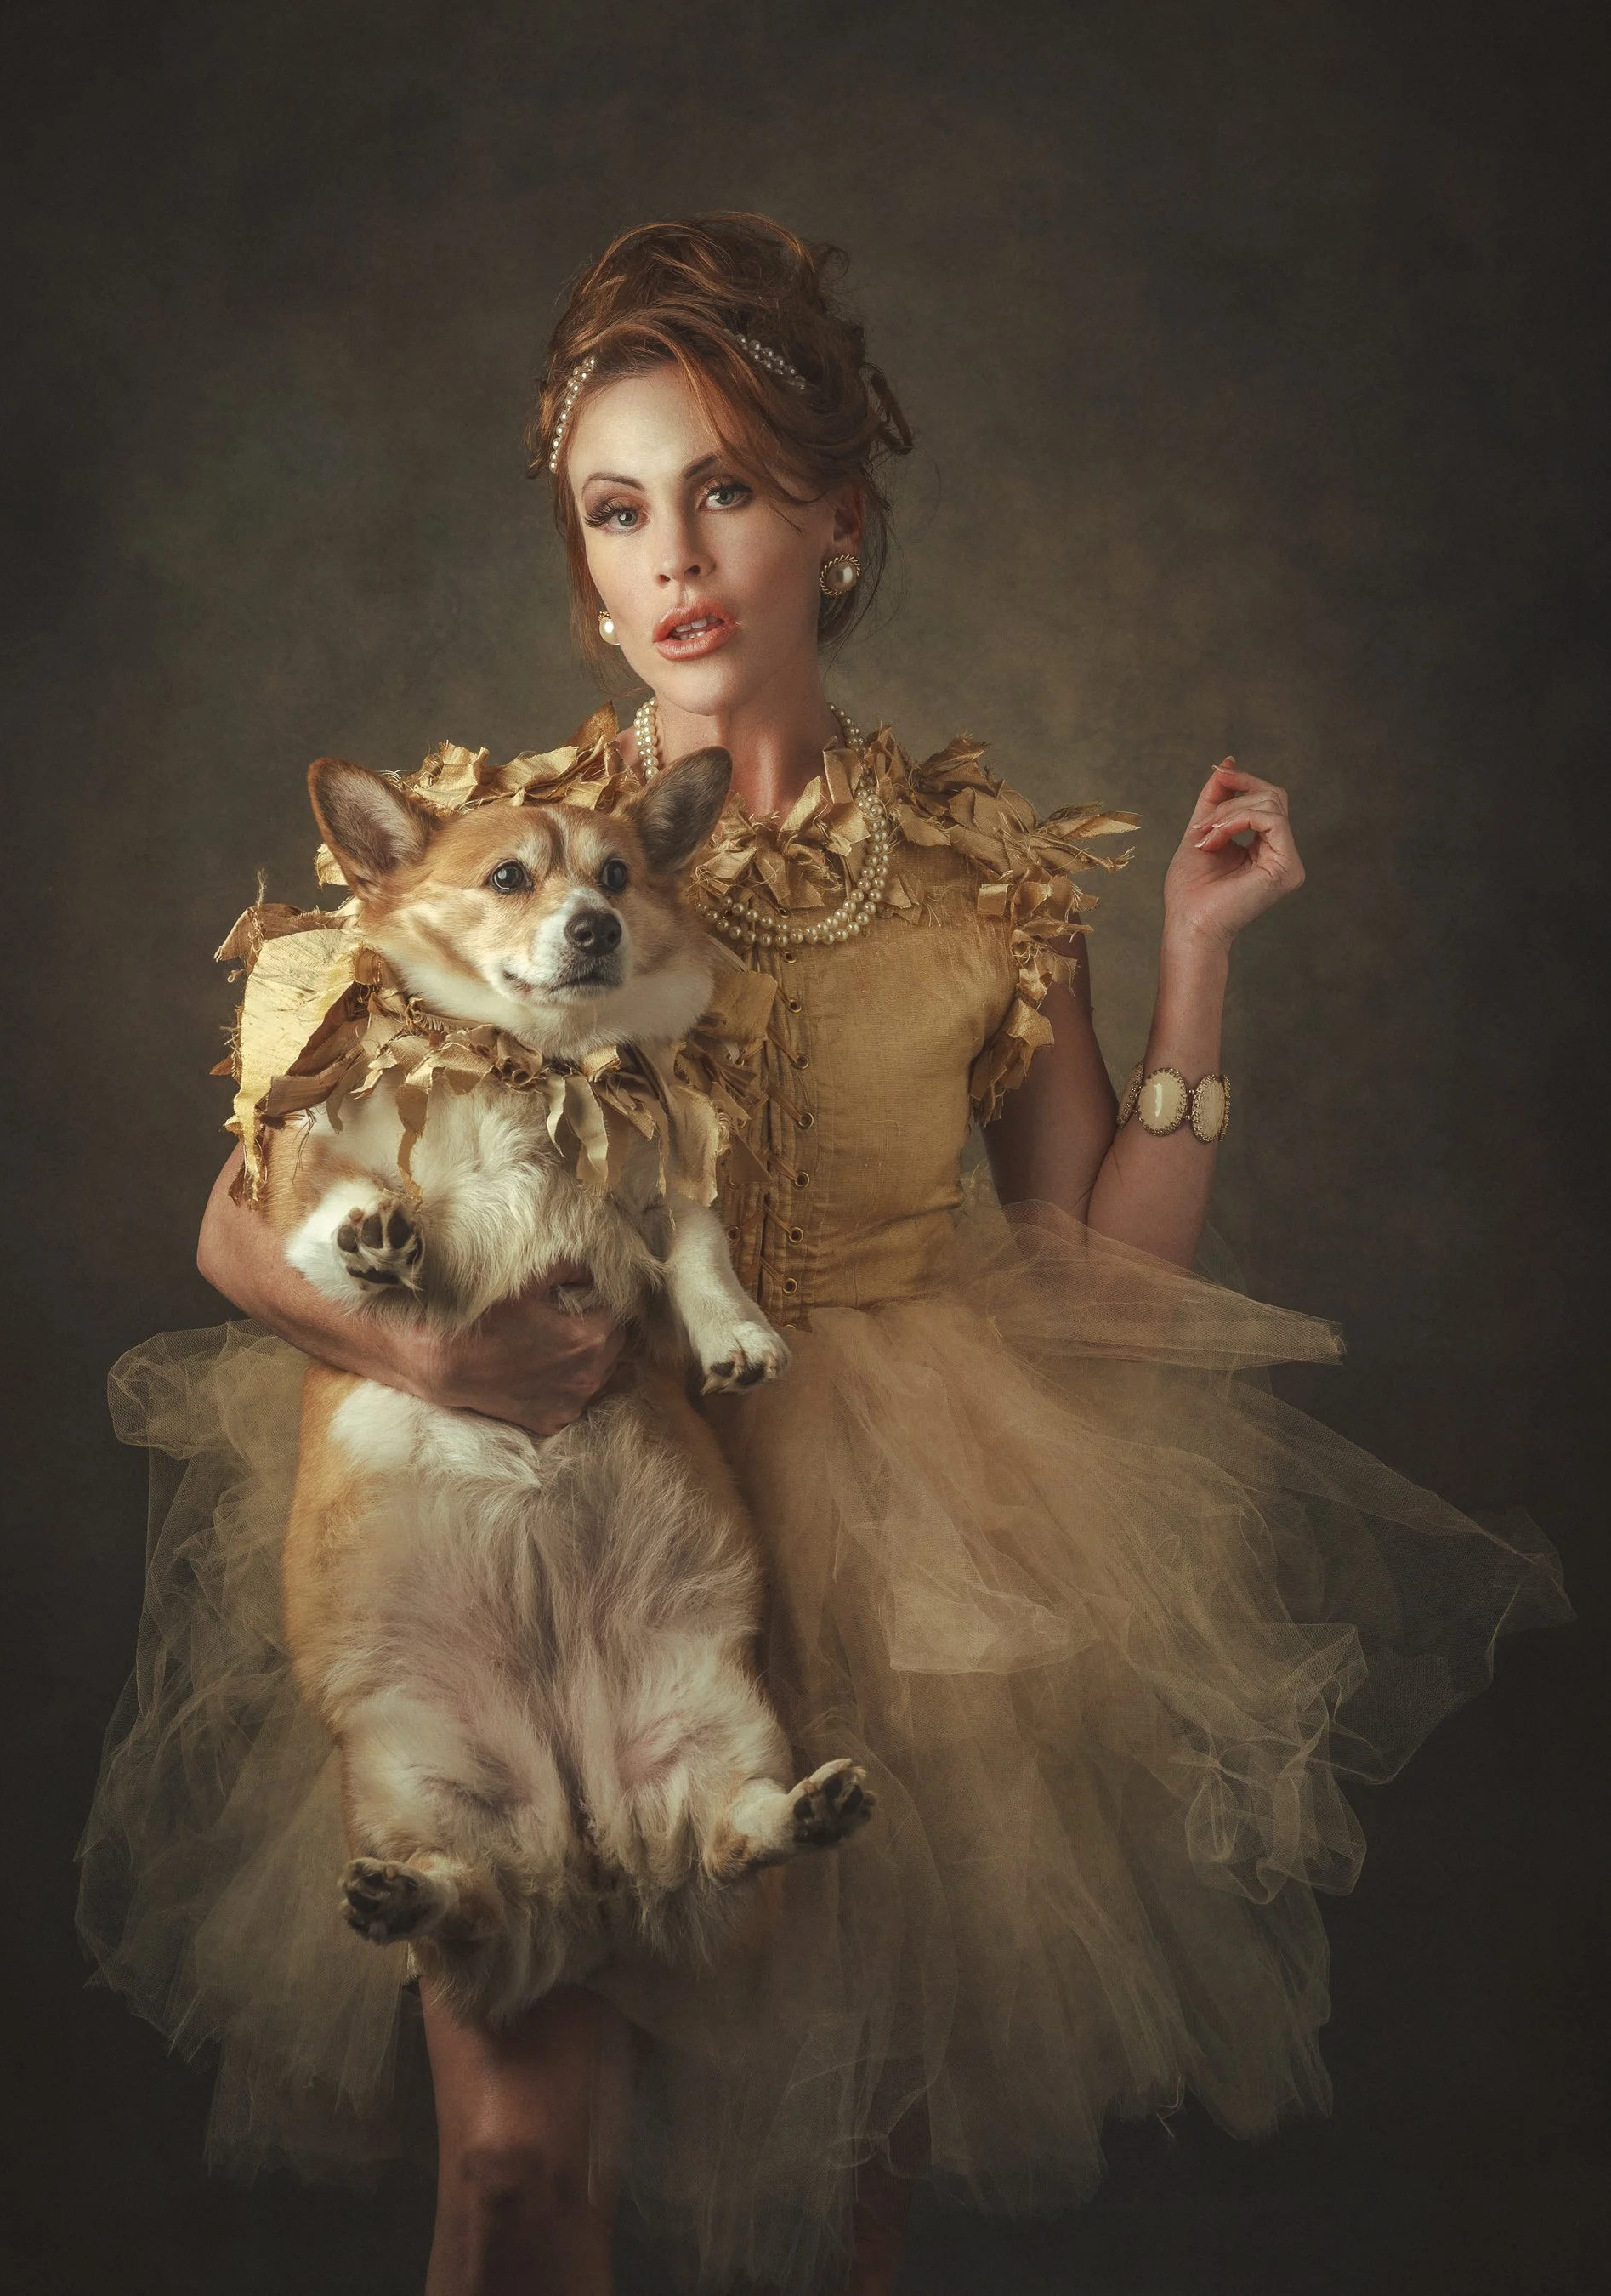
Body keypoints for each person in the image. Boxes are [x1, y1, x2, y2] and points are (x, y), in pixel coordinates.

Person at [79, 214, 1568, 2296]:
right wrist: (426, 1361)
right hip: (544, 1512)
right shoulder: (498, 853)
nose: (673, 559)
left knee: (831, 2214)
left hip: (885, 1549)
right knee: (508, 2179)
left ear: (834, 527)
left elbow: (1099, 1290)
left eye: (725, 492)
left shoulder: (978, 886)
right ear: (586, 565)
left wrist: (1194, 967)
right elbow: (240, 1220)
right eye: (618, 511)